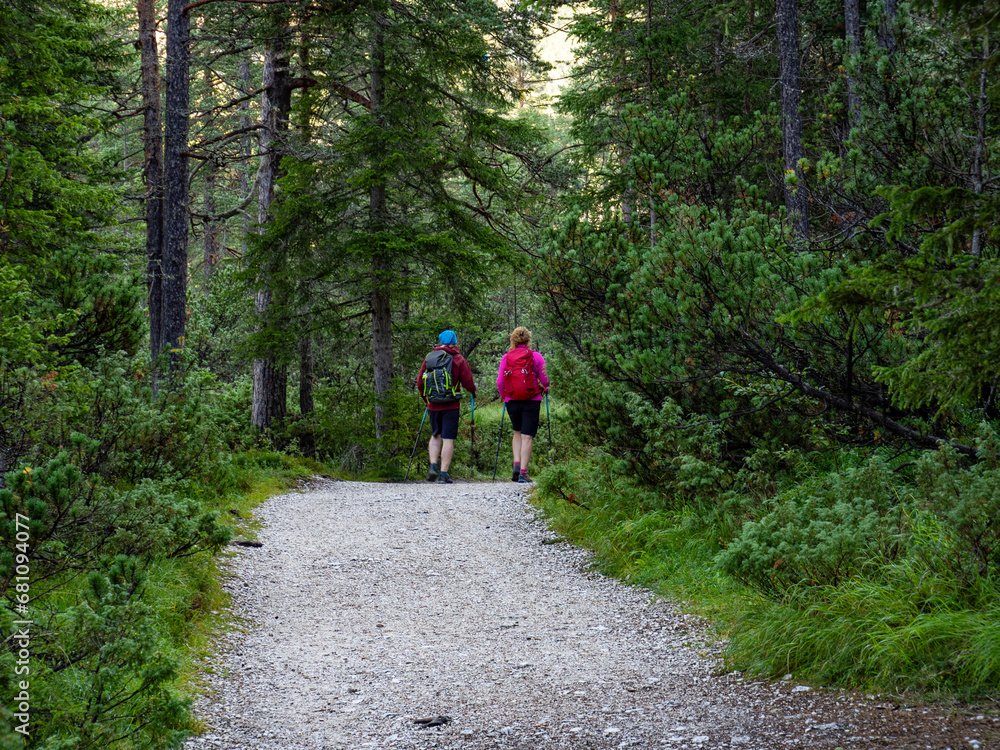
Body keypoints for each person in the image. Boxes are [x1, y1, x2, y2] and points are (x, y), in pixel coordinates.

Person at [416, 330, 476, 484]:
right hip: (451, 404)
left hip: (433, 404)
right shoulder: (458, 359)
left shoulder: (430, 358)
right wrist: (472, 390)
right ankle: (443, 474)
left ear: (441, 341)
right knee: (448, 439)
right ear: (454, 342)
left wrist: (426, 398)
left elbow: (420, 381)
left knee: (435, 435)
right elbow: (468, 382)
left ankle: (433, 465)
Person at [496, 326, 549, 483]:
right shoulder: (536, 356)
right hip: (532, 400)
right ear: (528, 340)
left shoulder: (506, 357)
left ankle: (516, 465)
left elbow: (500, 381)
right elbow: (545, 378)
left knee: (517, 432)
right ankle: (523, 473)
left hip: (512, 401)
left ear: (512, 339)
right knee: (527, 436)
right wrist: (544, 387)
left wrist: (504, 395)